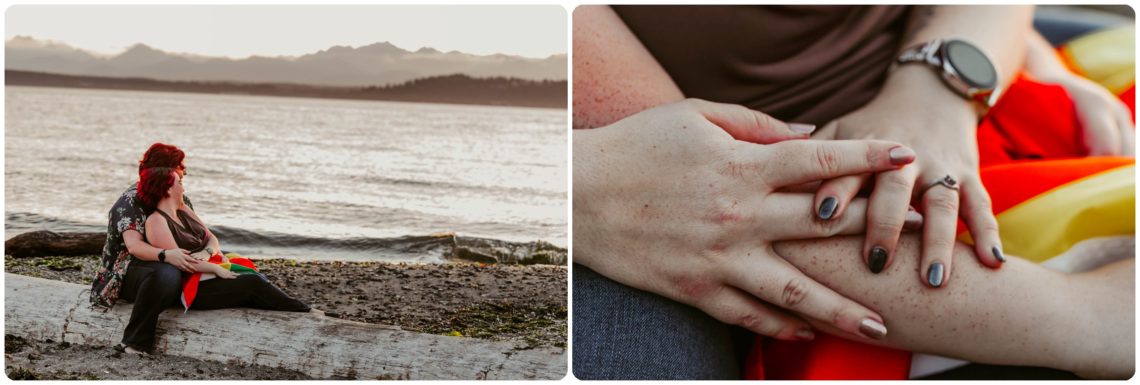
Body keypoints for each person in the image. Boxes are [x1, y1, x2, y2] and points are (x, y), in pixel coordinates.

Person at [572, 5, 1133, 379]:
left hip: (974, 92)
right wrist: (1085, 317)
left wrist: (939, 87)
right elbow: (692, 201)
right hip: (847, 236)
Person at [90, 144, 311, 355]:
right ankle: (135, 342)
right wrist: (169, 256)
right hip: (129, 272)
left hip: (185, 267)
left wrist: (207, 254)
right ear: (165, 172)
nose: (184, 171)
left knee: (246, 278)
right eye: (179, 166)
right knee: (166, 274)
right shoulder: (130, 203)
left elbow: (205, 236)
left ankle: (295, 312)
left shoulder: (181, 200)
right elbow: (135, 246)